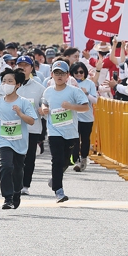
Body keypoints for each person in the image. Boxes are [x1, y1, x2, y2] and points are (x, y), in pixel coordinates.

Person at [0, 68, 36, 209]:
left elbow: (31, 121)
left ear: (17, 85)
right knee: (6, 166)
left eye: (10, 81)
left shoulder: (24, 102)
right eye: (4, 81)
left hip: (19, 141)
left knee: (18, 170)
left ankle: (17, 191)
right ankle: (7, 198)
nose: (6, 84)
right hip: (3, 139)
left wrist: (20, 113)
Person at [39, 61, 89, 203]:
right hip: (54, 131)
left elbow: (85, 107)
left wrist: (70, 106)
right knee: (57, 160)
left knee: (67, 161)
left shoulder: (74, 91)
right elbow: (44, 103)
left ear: (67, 75)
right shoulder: (48, 91)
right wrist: (44, 108)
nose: (59, 76)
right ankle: (59, 191)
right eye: (56, 73)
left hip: (70, 132)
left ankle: (55, 179)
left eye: (62, 73)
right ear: (52, 75)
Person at [14, 55, 46, 196]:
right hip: (14, 128)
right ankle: (16, 183)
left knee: (29, 158)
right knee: (15, 158)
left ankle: (25, 185)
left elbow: (44, 105)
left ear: (31, 68)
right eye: (20, 65)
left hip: (32, 129)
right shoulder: (10, 85)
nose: (22, 68)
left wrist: (43, 110)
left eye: (26, 65)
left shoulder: (39, 88)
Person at [70, 62, 97, 172]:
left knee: (85, 139)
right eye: (76, 72)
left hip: (87, 117)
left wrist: (86, 93)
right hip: (74, 116)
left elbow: (95, 100)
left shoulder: (90, 84)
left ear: (85, 72)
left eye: (81, 72)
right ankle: (76, 160)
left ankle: (84, 159)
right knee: (75, 139)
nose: (78, 74)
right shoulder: (70, 83)